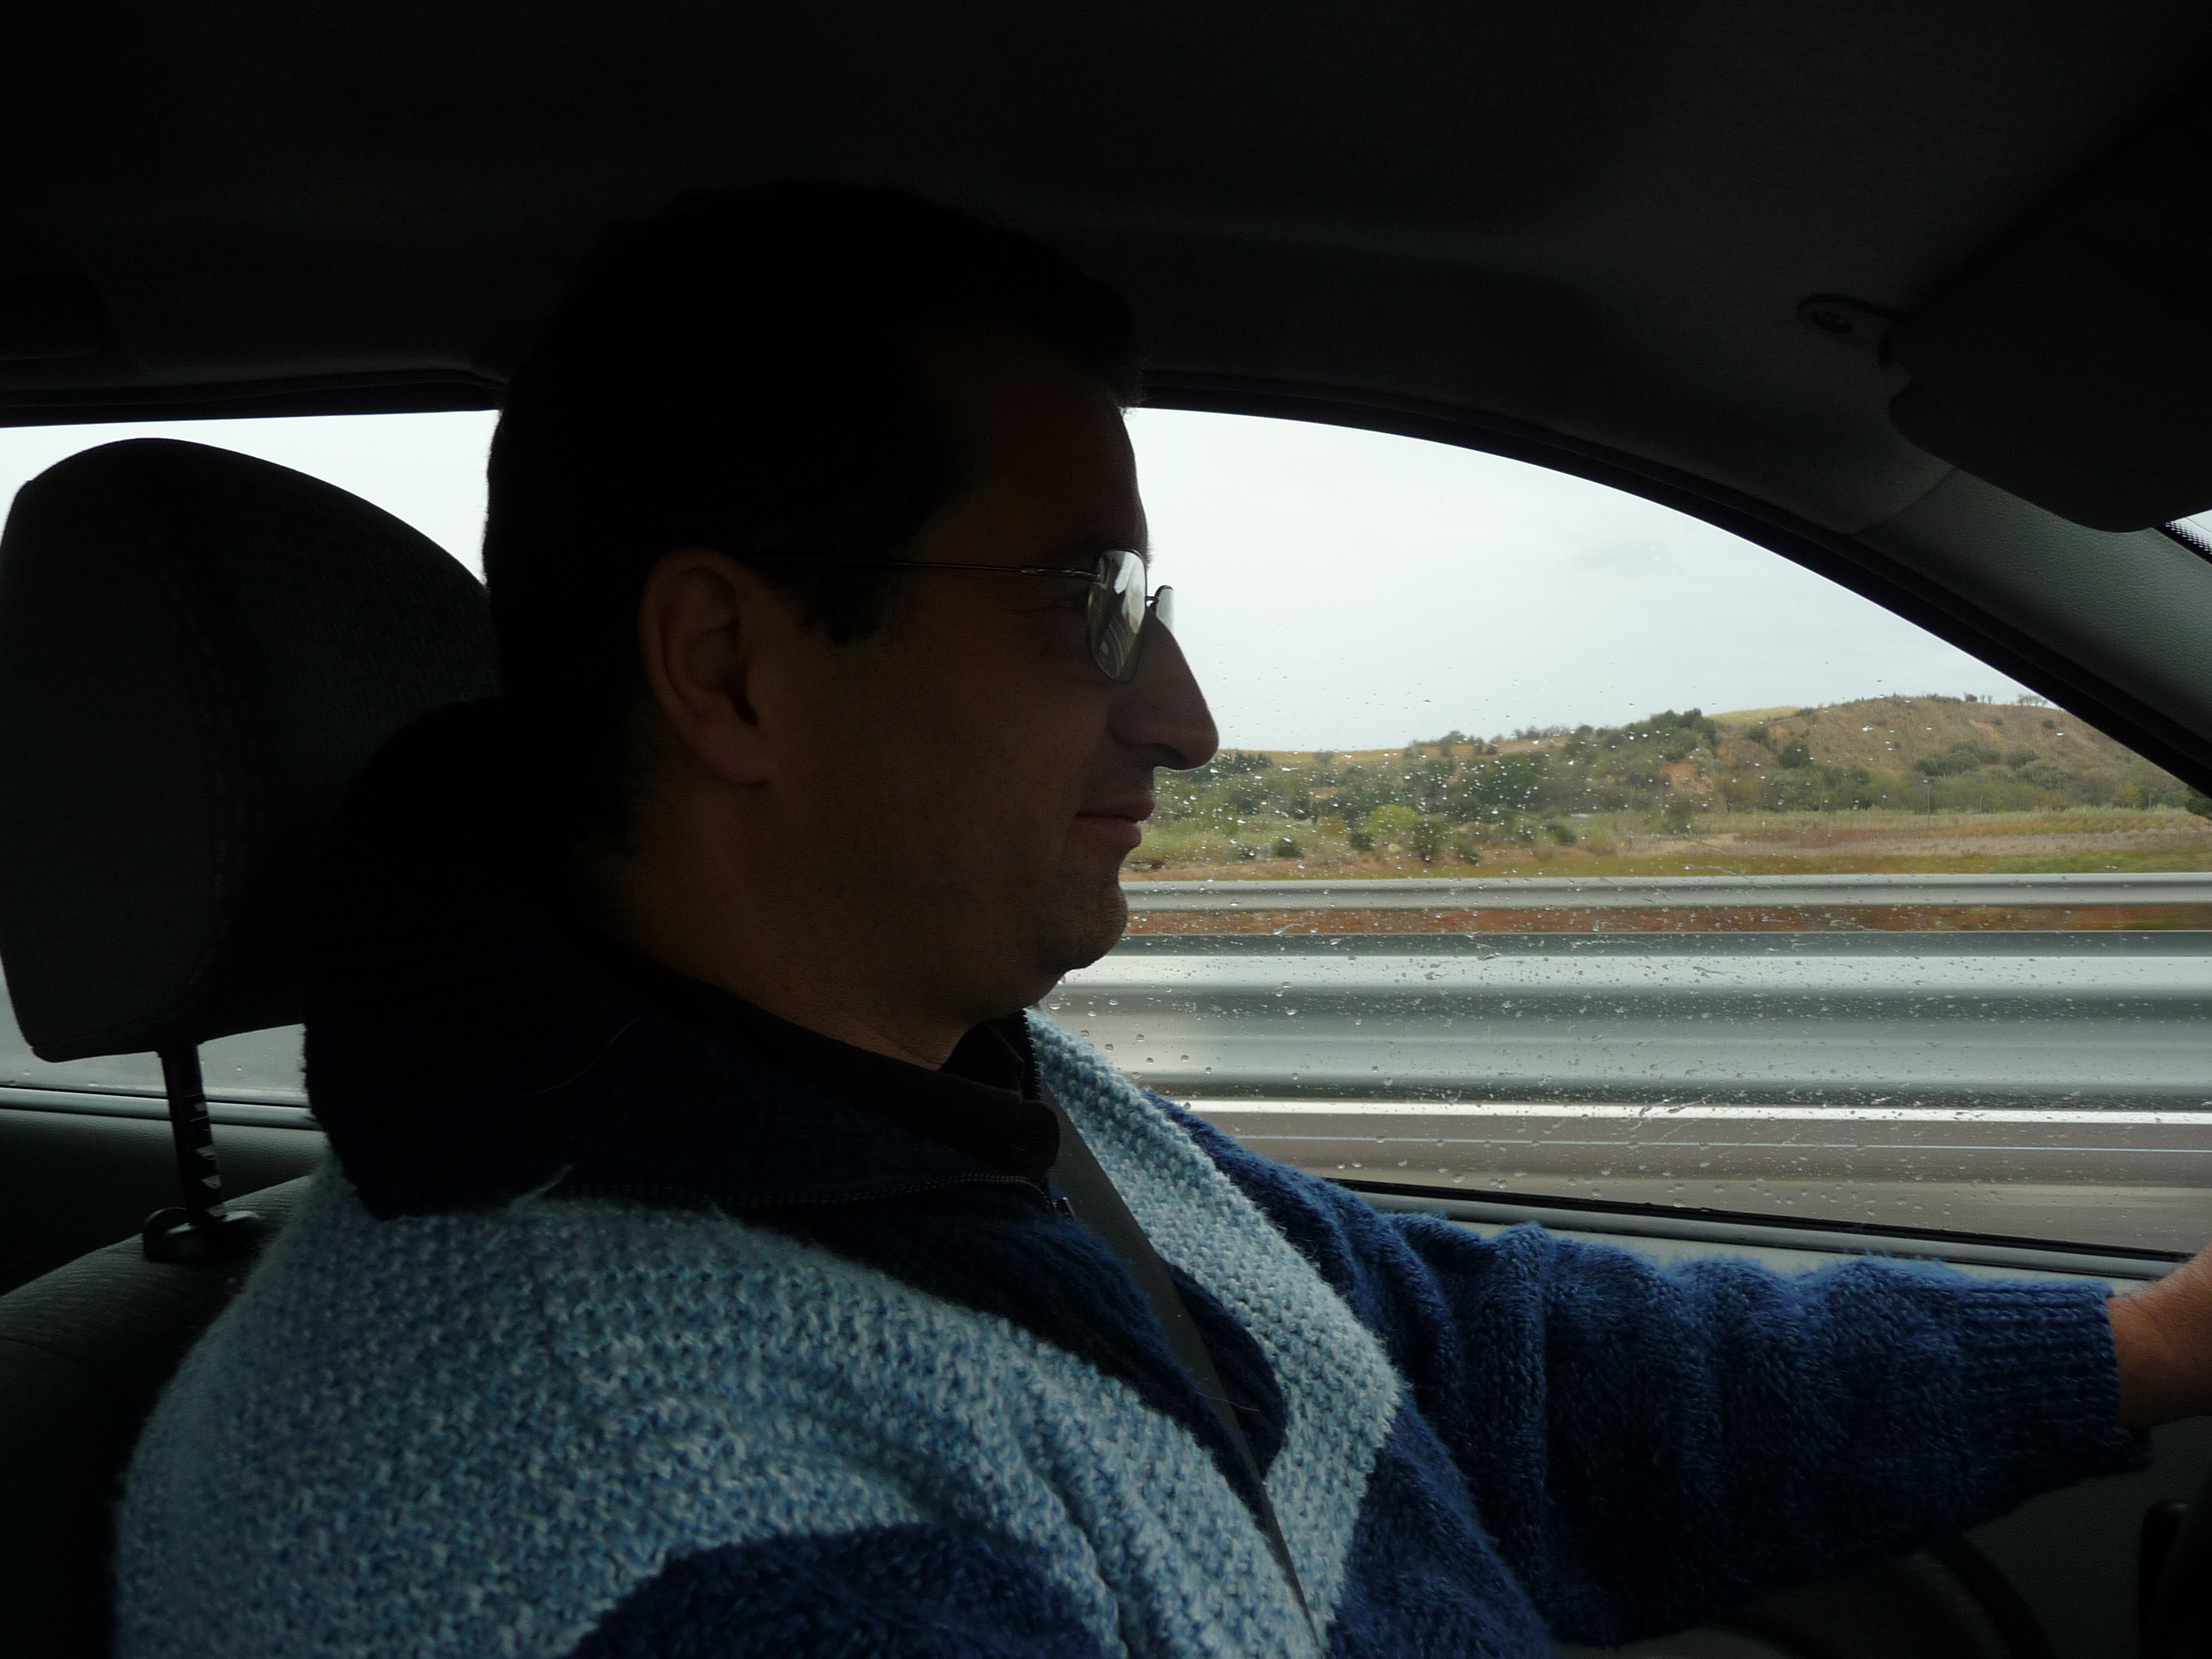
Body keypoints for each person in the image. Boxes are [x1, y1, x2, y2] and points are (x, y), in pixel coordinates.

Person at [118, 183, 2212, 1659]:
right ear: (731, 670)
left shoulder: (943, 1106)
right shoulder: (663, 1511)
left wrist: (2151, 1346)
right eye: (1084, 603)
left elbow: (1483, 1372)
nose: (1186, 717)